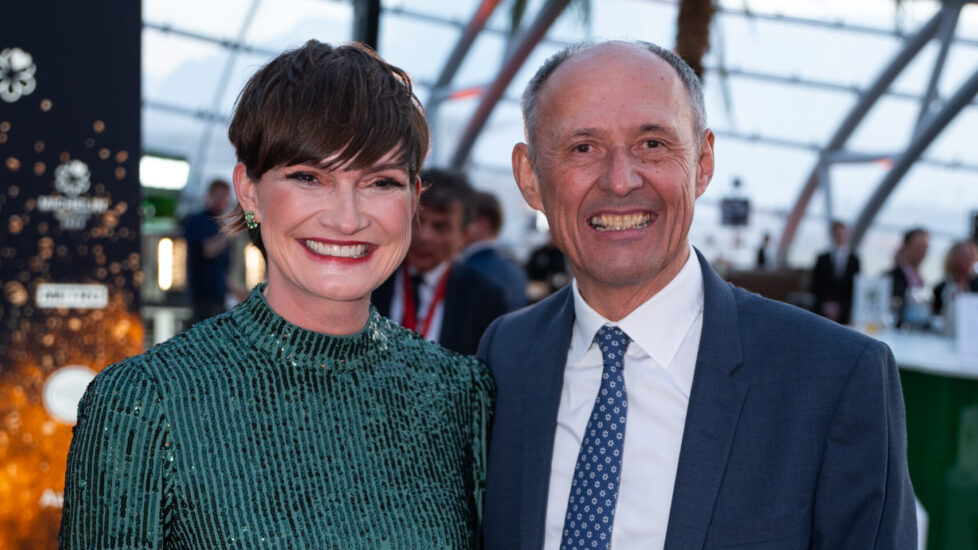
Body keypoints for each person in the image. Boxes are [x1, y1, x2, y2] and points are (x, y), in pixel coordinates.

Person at [478, 41, 916, 549]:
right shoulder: (506, 355)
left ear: (703, 163)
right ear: (530, 177)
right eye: (583, 147)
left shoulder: (834, 380)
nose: (620, 181)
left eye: (652, 144)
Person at [60, 40, 493, 548]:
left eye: (380, 182)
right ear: (248, 191)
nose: (347, 218)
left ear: (414, 199)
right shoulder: (145, 403)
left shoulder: (462, 395)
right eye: (309, 178)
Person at [373, 167, 510, 355]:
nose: (424, 236)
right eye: (417, 220)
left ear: (464, 236)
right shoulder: (373, 281)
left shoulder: (486, 300)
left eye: (441, 227)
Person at [183, 178, 245, 323]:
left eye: (225, 197)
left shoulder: (220, 225)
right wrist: (230, 231)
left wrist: (237, 292)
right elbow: (208, 251)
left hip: (219, 297)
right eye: (219, 196)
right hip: (202, 296)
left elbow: (221, 270)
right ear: (209, 196)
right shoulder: (196, 221)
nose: (223, 201)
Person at [462, 190, 529, 309]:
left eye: (465, 220)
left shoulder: (467, 270)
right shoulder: (516, 269)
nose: (459, 226)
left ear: (483, 225)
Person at [810, 220, 861, 324]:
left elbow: (855, 286)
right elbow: (816, 284)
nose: (840, 237)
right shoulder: (822, 258)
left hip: (845, 311)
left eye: (842, 234)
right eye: (837, 234)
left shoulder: (854, 261)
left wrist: (841, 306)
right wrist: (826, 304)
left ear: (848, 235)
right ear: (832, 235)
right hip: (823, 308)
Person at [888, 227, 930, 328]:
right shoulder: (890, 278)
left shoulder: (920, 280)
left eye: (925, 248)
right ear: (905, 246)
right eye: (917, 247)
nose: (921, 252)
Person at [932, 239, 978, 316]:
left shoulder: (976, 284)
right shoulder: (941, 288)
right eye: (964, 255)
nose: (968, 259)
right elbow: (936, 313)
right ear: (953, 258)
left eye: (970, 256)